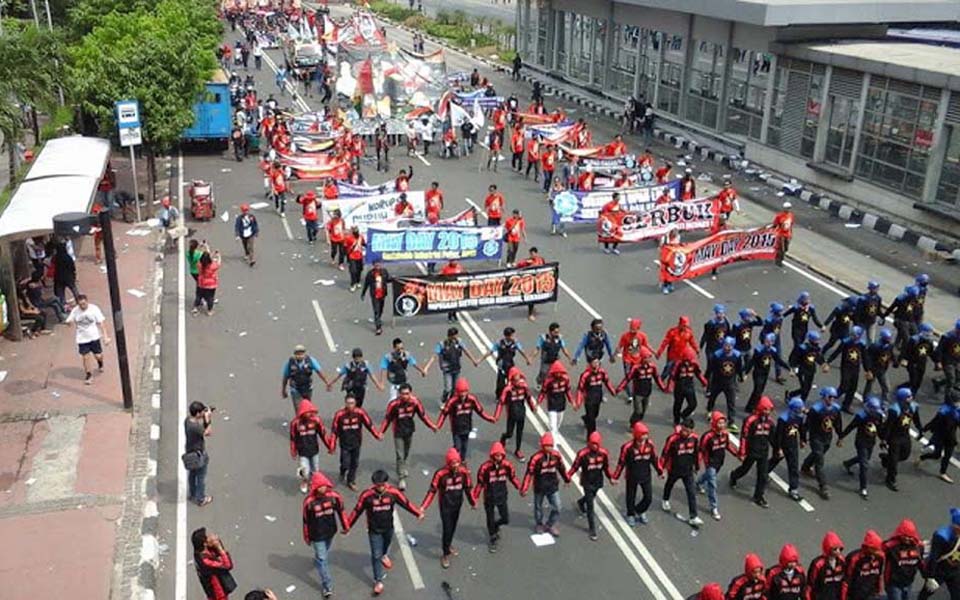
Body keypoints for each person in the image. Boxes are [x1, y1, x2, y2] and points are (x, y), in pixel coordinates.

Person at [347, 470, 424, 596]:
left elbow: (406, 503)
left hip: (388, 528)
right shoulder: (367, 496)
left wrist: (418, 513)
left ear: (386, 483)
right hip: (374, 530)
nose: (380, 487)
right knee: (375, 555)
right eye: (377, 485)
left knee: (385, 547)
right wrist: (348, 525)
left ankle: (384, 555)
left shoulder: (393, 493)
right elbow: (357, 511)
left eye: (382, 485)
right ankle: (378, 581)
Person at [420, 447, 476, 569]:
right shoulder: (441, 474)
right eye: (453, 463)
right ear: (448, 463)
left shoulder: (464, 472)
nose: (455, 465)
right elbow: (432, 491)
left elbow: (468, 488)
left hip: (457, 504)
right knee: (447, 528)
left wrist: (473, 502)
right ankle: (445, 554)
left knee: (453, 527)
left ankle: (448, 544)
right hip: (445, 506)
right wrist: (424, 507)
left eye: (457, 462)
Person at [380, 383, 436, 490]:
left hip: (409, 430)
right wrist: (381, 432)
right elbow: (387, 419)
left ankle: (403, 466)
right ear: (399, 394)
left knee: (406, 451)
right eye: (403, 394)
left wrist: (431, 426)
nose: (405, 396)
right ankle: (401, 478)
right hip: (398, 431)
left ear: (410, 393)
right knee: (400, 454)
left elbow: (423, 415)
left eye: (407, 394)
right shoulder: (394, 405)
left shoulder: (415, 403)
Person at [302, 472, 348, 598]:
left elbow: (341, 511)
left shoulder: (334, 497)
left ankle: (318, 559)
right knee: (323, 559)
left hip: (330, 532)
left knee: (323, 554)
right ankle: (327, 586)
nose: (323, 488)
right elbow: (306, 521)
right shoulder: (309, 502)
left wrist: (346, 526)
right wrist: (307, 536)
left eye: (324, 485)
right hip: (316, 536)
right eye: (320, 486)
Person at [566, 431, 616, 541]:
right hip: (587, 482)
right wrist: (567, 477)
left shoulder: (603, 453)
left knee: (591, 497)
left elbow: (606, 467)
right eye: (592, 443)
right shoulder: (582, 454)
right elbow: (575, 467)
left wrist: (611, 478)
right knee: (590, 505)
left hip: (598, 481)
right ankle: (592, 529)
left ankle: (580, 502)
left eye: (596, 444)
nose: (594, 446)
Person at [472, 441, 521, 553]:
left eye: (500, 455)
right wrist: (474, 499)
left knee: (505, 518)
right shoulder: (485, 468)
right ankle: (493, 538)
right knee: (490, 518)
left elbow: (513, 477)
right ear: (492, 455)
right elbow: (480, 484)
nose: (498, 457)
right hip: (489, 497)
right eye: (496, 455)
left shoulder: (507, 465)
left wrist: (520, 487)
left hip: (502, 496)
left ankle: (495, 525)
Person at [520, 432, 570, 536]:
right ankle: (539, 524)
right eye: (547, 445)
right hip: (539, 487)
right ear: (542, 446)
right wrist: (525, 488)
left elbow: (562, 468)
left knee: (558, 507)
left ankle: (550, 524)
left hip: (552, 486)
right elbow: (529, 473)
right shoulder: (536, 458)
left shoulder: (556, 455)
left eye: (551, 446)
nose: (549, 448)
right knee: (538, 507)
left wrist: (567, 479)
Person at [729, 395, 774, 508]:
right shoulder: (750, 420)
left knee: (763, 475)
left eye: (769, 409)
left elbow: (773, 437)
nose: (768, 411)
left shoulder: (770, 422)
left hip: (763, 452)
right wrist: (742, 452)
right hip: (752, 451)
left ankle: (758, 496)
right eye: (766, 409)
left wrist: (778, 449)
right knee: (745, 469)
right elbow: (744, 436)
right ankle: (734, 476)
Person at [328, 395, 381, 491]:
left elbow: (369, 425)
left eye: (352, 403)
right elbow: (334, 431)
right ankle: (342, 471)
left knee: (354, 463)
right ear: (345, 403)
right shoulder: (339, 415)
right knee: (345, 463)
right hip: (344, 444)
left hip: (356, 443)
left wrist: (377, 435)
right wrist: (332, 446)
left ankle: (351, 481)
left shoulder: (360, 413)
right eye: (348, 403)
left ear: (355, 403)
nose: (350, 406)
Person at [838, 395, 885, 500]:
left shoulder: (879, 416)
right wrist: (841, 437)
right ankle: (863, 487)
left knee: (864, 459)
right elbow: (851, 426)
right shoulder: (861, 416)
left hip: (871, 441)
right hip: (861, 441)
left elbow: (880, 429)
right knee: (864, 464)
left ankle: (848, 463)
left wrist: (883, 439)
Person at [614, 421, 661, 525]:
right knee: (631, 496)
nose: (645, 436)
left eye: (646, 434)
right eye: (643, 434)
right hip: (632, 476)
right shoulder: (627, 447)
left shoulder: (650, 444)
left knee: (648, 498)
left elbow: (654, 459)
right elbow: (621, 463)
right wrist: (615, 477)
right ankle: (630, 514)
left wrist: (660, 471)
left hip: (646, 475)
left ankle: (639, 510)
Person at [659, 417, 702, 527]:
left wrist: (697, 467)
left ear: (692, 430)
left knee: (691, 492)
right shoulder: (672, 439)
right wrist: (661, 469)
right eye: (683, 429)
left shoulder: (695, 439)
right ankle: (665, 499)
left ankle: (693, 516)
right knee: (670, 484)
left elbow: (697, 453)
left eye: (687, 430)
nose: (684, 432)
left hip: (688, 471)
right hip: (674, 469)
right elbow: (665, 453)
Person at [801, 387, 842, 500]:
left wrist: (840, 436)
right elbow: (806, 425)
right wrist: (803, 439)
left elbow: (838, 423)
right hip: (816, 438)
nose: (832, 399)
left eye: (834, 397)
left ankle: (806, 466)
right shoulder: (816, 410)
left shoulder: (835, 409)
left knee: (818, 454)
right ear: (824, 397)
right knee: (819, 461)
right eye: (830, 397)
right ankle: (823, 486)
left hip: (827, 438)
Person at [696, 411, 738, 520]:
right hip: (710, 463)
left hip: (720, 462)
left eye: (723, 423)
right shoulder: (707, 436)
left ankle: (699, 482)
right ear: (714, 423)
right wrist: (697, 464)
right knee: (712, 485)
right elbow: (701, 451)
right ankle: (714, 507)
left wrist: (736, 454)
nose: (722, 425)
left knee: (708, 478)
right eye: (719, 423)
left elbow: (727, 446)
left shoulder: (725, 434)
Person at [879, 387, 920, 491]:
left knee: (905, 455)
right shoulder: (895, 410)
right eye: (909, 396)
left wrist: (920, 429)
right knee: (894, 460)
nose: (911, 398)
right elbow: (888, 426)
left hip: (905, 435)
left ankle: (886, 459)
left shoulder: (913, 407)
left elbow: (916, 419)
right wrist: (884, 439)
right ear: (903, 398)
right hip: (894, 437)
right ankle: (890, 480)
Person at [493, 367, 538, 460]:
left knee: (519, 432)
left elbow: (528, 398)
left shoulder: (524, 387)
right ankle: (503, 438)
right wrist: (496, 416)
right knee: (510, 433)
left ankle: (518, 450)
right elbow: (501, 402)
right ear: (512, 380)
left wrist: (533, 407)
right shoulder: (508, 390)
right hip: (511, 414)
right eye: (516, 380)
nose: (518, 382)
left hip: (521, 413)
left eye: (519, 379)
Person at [66, 294, 110, 385]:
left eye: (84, 304)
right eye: (81, 305)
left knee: (98, 355)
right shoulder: (75, 311)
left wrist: (105, 336)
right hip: (82, 338)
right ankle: (89, 375)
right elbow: (70, 322)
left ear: (87, 302)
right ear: (78, 304)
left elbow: (101, 323)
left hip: (94, 337)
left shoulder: (94, 309)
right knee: (85, 357)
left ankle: (100, 362)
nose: (83, 306)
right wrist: (69, 323)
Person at [767, 397, 805, 502]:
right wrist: (778, 448)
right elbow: (778, 435)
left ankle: (793, 489)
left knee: (793, 466)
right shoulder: (783, 419)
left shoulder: (799, 417)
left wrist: (803, 439)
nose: (802, 409)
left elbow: (801, 428)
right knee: (775, 459)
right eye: (799, 408)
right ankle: (764, 471)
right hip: (783, 444)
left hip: (793, 444)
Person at [480, 326, 533, 401]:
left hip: (510, 364)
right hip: (502, 364)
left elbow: (522, 351)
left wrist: (527, 359)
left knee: (511, 381)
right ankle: (499, 395)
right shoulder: (499, 343)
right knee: (501, 381)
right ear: (507, 336)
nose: (513, 337)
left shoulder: (515, 343)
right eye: (512, 335)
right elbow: (490, 351)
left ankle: (509, 395)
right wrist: (480, 359)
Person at [917, 507, 960, 600]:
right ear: (955, 526)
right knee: (926, 593)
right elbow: (934, 557)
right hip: (939, 571)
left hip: (955, 570)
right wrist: (930, 577)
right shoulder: (941, 536)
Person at [744, 333, 791, 414]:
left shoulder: (772, 350)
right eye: (766, 341)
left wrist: (788, 368)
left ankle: (752, 405)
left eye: (769, 342)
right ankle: (751, 408)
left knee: (759, 391)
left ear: (772, 342)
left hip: (765, 373)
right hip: (758, 372)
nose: (767, 343)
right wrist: (746, 373)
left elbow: (778, 360)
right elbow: (752, 362)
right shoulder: (759, 350)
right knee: (757, 390)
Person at [290, 400, 331, 494]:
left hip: (314, 450)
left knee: (315, 470)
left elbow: (323, 434)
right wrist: (293, 451)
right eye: (306, 412)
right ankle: (304, 482)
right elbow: (293, 438)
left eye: (310, 411)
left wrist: (329, 446)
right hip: (302, 452)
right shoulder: (295, 423)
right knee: (305, 471)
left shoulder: (316, 420)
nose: (308, 414)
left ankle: (314, 483)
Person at [916, 397, 959, 483]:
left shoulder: (958, 411)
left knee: (947, 456)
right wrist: (923, 430)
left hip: (950, 437)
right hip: (940, 436)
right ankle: (922, 457)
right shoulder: (943, 412)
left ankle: (942, 472)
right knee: (937, 455)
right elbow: (934, 422)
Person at [826, 325, 867, 413]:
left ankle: (846, 405)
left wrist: (867, 370)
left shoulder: (861, 344)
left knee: (853, 387)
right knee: (844, 386)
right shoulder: (846, 342)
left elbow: (864, 357)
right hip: (846, 367)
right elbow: (837, 352)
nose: (853, 336)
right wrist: (828, 362)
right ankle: (830, 397)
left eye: (855, 335)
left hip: (856, 368)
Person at [616, 348, 664, 423]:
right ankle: (632, 423)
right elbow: (628, 379)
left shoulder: (652, 367)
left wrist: (663, 388)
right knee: (638, 411)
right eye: (646, 357)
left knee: (644, 410)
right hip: (638, 393)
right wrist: (619, 389)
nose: (648, 359)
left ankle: (638, 423)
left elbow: (657, 378)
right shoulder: (636, 368)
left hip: (647, 392)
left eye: (649, 357)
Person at [664, 347, 708, 425]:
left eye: (689, 359)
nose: (688, 361)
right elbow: (673, 376)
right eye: (686, 359)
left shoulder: (694, 364)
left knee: (693, 404)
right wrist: (670, 386)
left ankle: (684, 414)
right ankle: (676, 420)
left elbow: (698, 374)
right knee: (678, 404)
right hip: (679, 387)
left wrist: (704, 382)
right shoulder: (678, 364)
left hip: (689, 387)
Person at [705, 337, 744, 426]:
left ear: (733, 346)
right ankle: (709, 410)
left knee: (731, 402)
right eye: (726, 345)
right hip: (717, 381)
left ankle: (731, 421)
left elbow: (739, 367)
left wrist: (741, 377)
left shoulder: (737, 355)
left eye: (729, 346)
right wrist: (706, 378)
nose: (727, 347)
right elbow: (711, 368)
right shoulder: (717, 355)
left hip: (730, 382)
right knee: (712, 397)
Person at [281, 344, 332, 410]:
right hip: (295, 389)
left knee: (307, 408)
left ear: (305, 354)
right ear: (294, 355)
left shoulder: (311, 361)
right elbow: (285, 377)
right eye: (298, 354)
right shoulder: (290, 363)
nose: (300, 356)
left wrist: (327, 382)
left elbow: (319, 372)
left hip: (308, 388)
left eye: (301, 354)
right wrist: (283, 390)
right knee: (299, 409)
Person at [883, 519, 924, 600]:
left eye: (909, 536)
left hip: (908, 583)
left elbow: (920, 563)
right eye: (904, 536)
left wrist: (928, 576)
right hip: (893, 584)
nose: (907, 539)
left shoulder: (918, 547)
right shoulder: (891, 546)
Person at [576, 357, 617, 435]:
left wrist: (612, 391)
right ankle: (591, 436)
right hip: (589, 400)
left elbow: (607, 382)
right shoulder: (585, 375)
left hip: (598, 398)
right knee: (592, 420)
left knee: (595, 414)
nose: (596, 364)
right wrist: (578, 402)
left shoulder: (602, 372)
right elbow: (580, 389)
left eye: (597, 362)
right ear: (590, 364)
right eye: (594, 362)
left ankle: (585, 418)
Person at [192, 528, 235, 600]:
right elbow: (228, 565)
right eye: (208, 537)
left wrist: (217, 542)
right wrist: (219, 547)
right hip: (218, 595)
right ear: (204, 543)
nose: (211, 536)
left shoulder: (202, 550)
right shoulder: (205, 561)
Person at [184, 401, 213, 506]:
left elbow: (199, 424)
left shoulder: (187, 421)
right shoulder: (196, 427)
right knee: (201, 477)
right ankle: (201, 498)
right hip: (198, 454)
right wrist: (208, 420)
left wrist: (204, 416)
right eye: (201, 412)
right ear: (197, 413)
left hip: (190, 452)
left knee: (192, 475)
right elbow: (208, 432)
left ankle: (192, 494)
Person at [843, 530, 885, 600]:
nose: (877, 552)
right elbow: (847, 578)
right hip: (856, 595)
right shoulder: (854, 558)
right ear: (868, 547)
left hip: (872, 594)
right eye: (875, 549)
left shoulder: (880, 557)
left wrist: (878, 590)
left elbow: (879, 575)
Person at [788, 330, 828, 401]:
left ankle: (797, 398)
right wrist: (793, 369)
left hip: (811, 370)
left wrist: (823, 364)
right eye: (816, 340)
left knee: (807, 388)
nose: (818, 342)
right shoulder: (802, 348)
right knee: (804, 388)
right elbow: (794, 359)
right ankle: (795, 398)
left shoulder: (817, 348)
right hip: (802, 370)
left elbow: (818, 357)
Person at [657, 315, 699, 380]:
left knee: (679, 368)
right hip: (673, 354)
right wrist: (659, 352)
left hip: (683, 354)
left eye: (686, 326)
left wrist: (696, 350)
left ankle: (674, 381)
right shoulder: (672, 332)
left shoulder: (689, 332)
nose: (685, 327)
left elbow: (692, 342)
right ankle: (661, 380)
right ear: (680, 324)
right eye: (684, 325)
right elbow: (665, 343)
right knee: (668, 367)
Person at [808, 531, 847, 600]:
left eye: (840, 549)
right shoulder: (818, 564)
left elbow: (844, 582)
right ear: (828, 549)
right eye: (835, 549)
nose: (838, 551)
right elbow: (811, 585)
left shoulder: (842, 561)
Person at [898, 323, 935, 395]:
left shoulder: (930, 341)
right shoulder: (914, 340)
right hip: (913, 362)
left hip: (922, 362)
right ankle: (908, 392)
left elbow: (931, 352)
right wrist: (904, 359)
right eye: (927, 333)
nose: (929, 335)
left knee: (919, 380)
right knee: (914, 379)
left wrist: (937, 361)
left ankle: (912, 391)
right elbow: (906, 350)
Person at [538, 360, 574, 435]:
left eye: (559, 372)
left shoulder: (565, 379)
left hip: (561, 404)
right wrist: (538, 402)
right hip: (552, 404)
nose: (558, 374)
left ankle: (554, 432)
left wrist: (572, 402)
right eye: (556, 372)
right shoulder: (548, 381)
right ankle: (553, 442)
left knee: (558, 422)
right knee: (553, 426)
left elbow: (568, 391)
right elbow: (543, 392)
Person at [862, 329, 895, 402]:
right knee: (869, 385)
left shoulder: (889, 345)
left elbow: (891, 353)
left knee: (885, 386)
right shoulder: (875, 346)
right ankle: (865, 399)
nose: (889, 340)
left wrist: (895, 361)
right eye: (887, 338)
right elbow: (868, 359)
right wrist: (868, 370)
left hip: (882, 369)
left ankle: (885, 399)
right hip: (874, 369)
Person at [360, 260, 391, 335]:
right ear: (373, 266)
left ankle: (378, 319)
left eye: (379, 265)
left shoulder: (384, 272)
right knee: (376, 310)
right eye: (376, 265)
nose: (378, 267)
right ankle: (378, 327)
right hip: (374, 295)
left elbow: (388, 280)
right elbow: (366, 284)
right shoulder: (370, 274)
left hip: (382, 294)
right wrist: (363, 293)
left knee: (381, 309)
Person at [932, 319, 960, 401]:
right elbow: (939, 350)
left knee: (957, 377)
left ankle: (938, 382)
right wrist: (938, 362)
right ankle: (947, 398)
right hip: (947, 360)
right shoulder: (948, 336)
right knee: (951, 379)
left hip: (957, 360)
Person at [52, 241, 79, 306]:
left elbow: (53, 266)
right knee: (74, 289)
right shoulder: (68, 257)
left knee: (61, 292)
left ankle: (63, 304)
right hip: (69, 277)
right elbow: (73, 267)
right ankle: (78, 300)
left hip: (59, 277)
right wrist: (74, 275)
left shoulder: (56, 257)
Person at [344, 226, 366, 292]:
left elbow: (363, 244)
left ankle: (358, 281)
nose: (356, 233)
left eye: (357, 231)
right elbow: (345, 246)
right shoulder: (349, 238)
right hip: (352, 257)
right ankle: (353, 284)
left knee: (359, 270)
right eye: (355, 231)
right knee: (353, 271)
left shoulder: (361, 237)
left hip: (360, 256)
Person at [773, 201, 794, 266]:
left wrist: (791, 234)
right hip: (781, 234)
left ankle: (778, 257)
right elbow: (775, 224)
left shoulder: (791, 215)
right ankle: (779, 260)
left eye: (789, 208)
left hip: (788, 234)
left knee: (785, 248)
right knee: (782, 248)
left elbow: (791, 225)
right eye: (787, 208)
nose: (788, 209)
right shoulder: (779, 216)